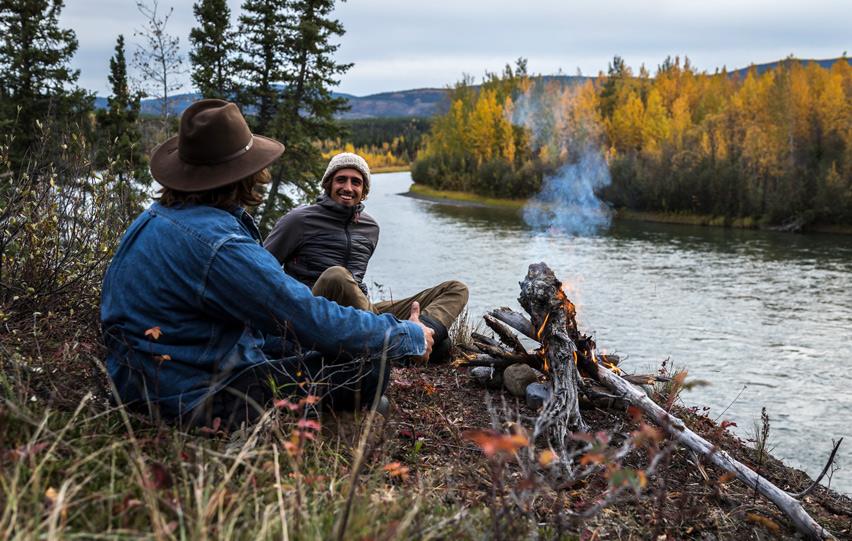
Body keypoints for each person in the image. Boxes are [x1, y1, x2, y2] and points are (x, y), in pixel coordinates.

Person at [100, 100, 434, 429]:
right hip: (195, 395)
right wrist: (407, 335)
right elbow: (308, 315)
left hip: (144, 378)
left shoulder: (153, 218)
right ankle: (342, 410)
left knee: (310, 343)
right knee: (369, 366)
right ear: (242, 176)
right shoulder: (221, 246)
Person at [264, 152, 468, 362]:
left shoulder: (370, 228)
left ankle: (422, 335)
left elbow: (356, 288)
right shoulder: (298, 220)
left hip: (361, 313)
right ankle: (400, 346)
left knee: (456, 288)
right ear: (327, 184)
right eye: (341, 180)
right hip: (313, 313)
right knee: (337, 276)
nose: (348, 188)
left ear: (364, 191)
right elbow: (260, 269)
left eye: (356, 182)